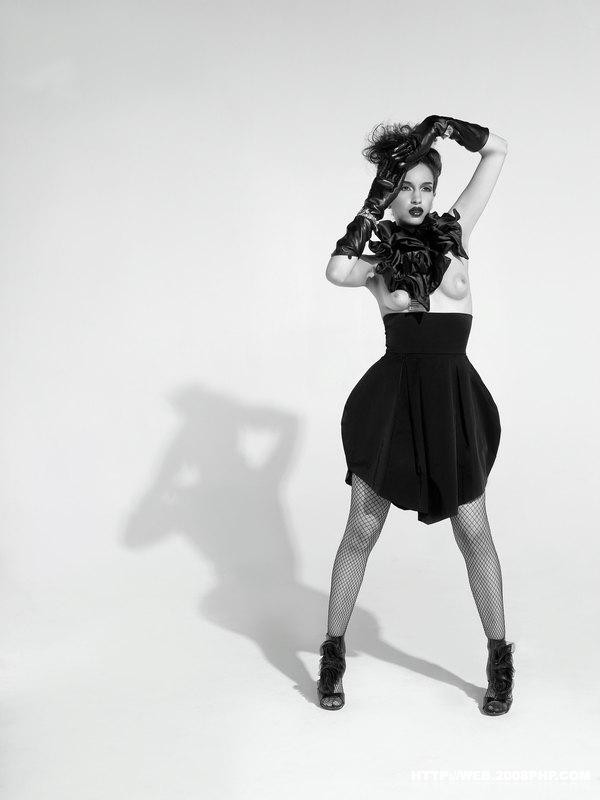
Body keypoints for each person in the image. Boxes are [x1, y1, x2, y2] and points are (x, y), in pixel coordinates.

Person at [317, 115, 515, 713]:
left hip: (453, 400)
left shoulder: (456, 233)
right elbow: (336, 271)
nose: (417, 198)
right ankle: (333, 651)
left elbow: (498, 153)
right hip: (393, 403)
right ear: (389, 192)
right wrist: (374, 199)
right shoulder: (377, 264)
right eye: (404, 187)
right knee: (362, 527)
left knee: (474, 530)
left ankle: (499, 656)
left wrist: (452, 129)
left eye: (426, 187)